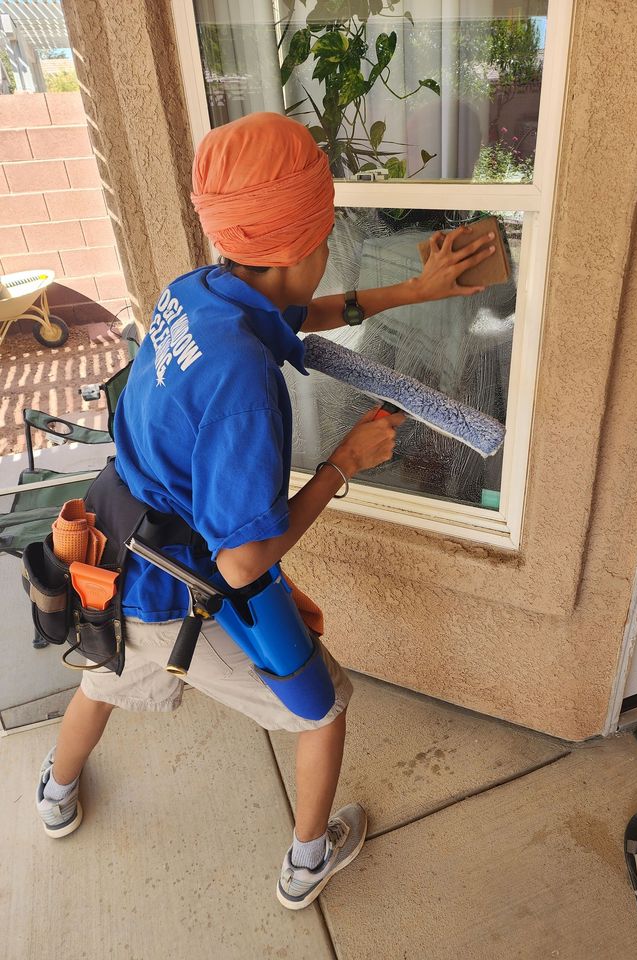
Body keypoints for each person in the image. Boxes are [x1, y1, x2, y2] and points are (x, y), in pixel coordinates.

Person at [35, 113, 497, 909]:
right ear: (302, 247)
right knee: (323, 710)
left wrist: (411, 291)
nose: (331, 250)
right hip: (179, 590)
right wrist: (341, 466)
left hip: (109, 554)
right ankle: (306, 862)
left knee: (101, 680)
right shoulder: (246, 386)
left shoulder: (200, 290)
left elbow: (291, 312)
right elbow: (244, 563)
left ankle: (54, 793)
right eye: (328, 234)